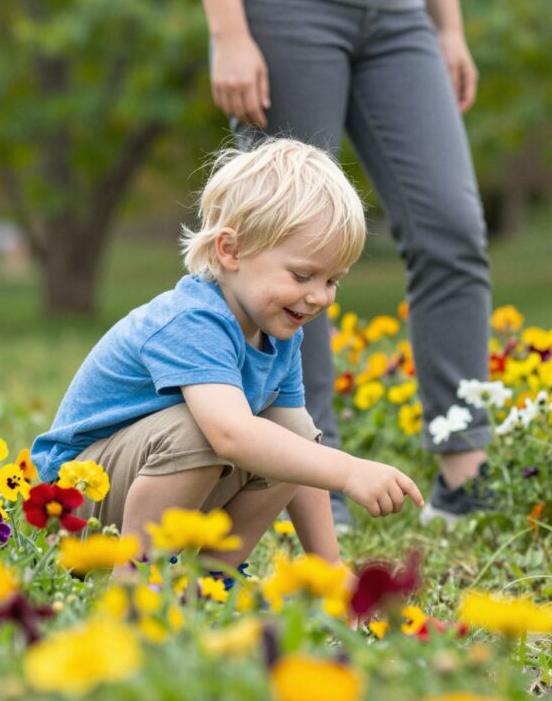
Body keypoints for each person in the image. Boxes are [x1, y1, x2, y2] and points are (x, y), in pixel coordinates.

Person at [177, 0, 493, 529]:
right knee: (286, 247)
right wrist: (228, 32)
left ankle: (465, 475)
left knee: (452, 227)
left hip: (401, 12)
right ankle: (312, 480)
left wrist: (450, 26)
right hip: (282, 1)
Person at [31, 139, 423, 571]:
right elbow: (230, 435)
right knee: (203, 432)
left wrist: (331, 579)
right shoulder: (193, 320)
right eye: (302, 275)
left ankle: (208, 584)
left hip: (143, 486)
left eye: (333, 281)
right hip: (69, 506)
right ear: (230, 251)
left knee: (293, 430)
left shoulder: (280, 330)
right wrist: (348, 472)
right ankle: (135, 586)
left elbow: (298, 449)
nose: (318, 297)